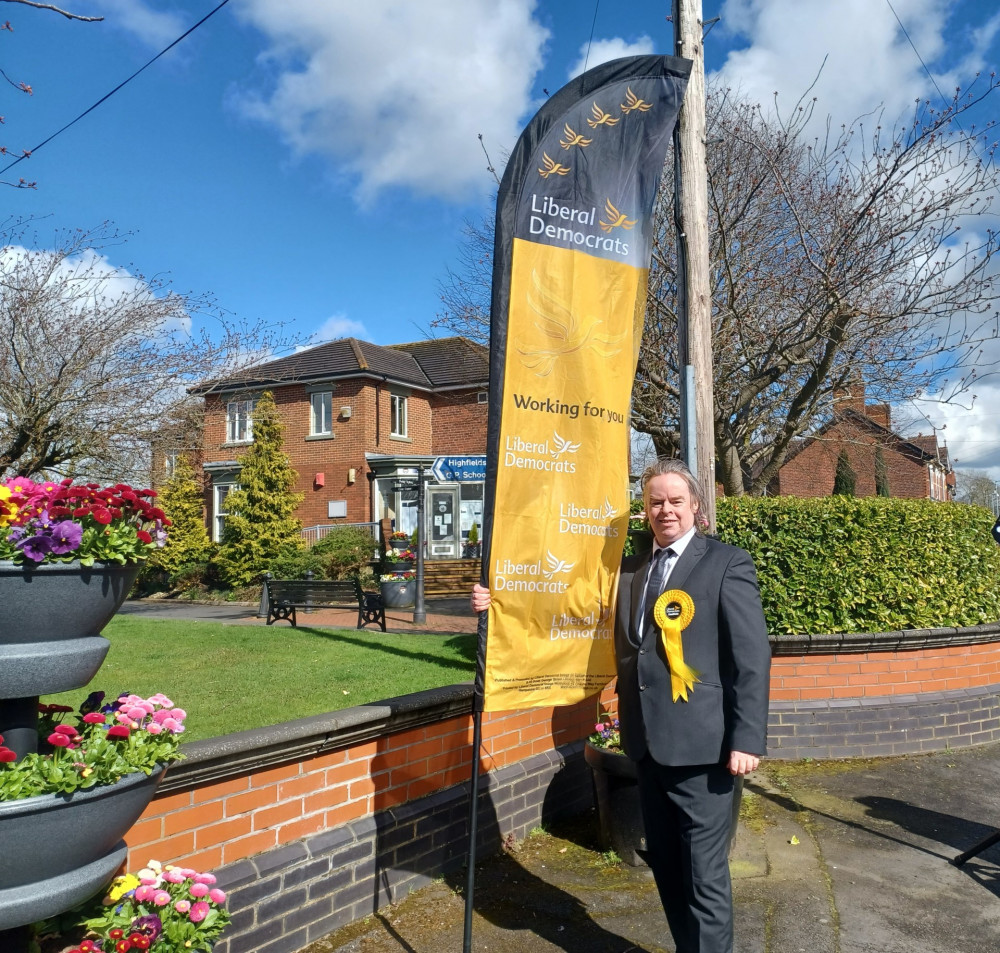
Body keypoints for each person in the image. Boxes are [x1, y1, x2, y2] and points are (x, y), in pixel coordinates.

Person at [471, 458, 771, 953]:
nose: (665, 510)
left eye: (676, 500)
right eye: (655, 501)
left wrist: (746, 739)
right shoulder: (629, 568)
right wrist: (496, 601)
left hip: (706, 749)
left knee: (706, 875)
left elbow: (751, 658)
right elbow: (563, 605)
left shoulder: (727, 563)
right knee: (669, 869)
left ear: (696, 507)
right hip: (645, 748)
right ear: (644, 509)